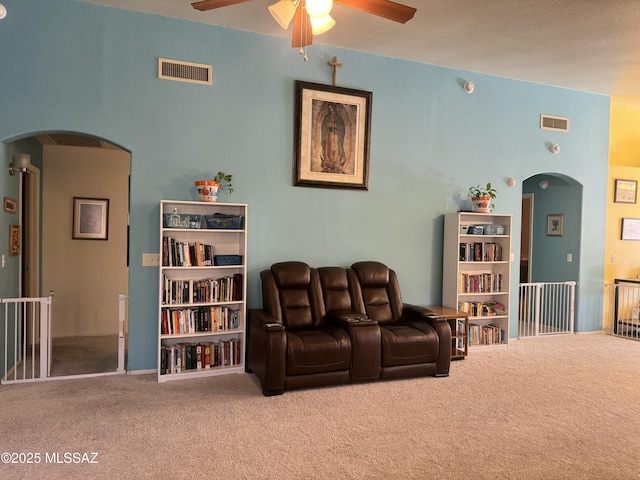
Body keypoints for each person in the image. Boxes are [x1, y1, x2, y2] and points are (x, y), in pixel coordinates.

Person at [320, 103, 346, 174]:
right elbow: (323, 126)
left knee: (335, 148)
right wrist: (327, 125)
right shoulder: (327, 117)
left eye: (332, 108)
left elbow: (342, 128)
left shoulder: (339, 117)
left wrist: (335, 126)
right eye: (329, 108)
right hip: (328, 134)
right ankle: (328, 162)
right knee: (328, 148)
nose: (331, 110)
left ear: (334, 108)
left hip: (336, 135)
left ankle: (335, 163)